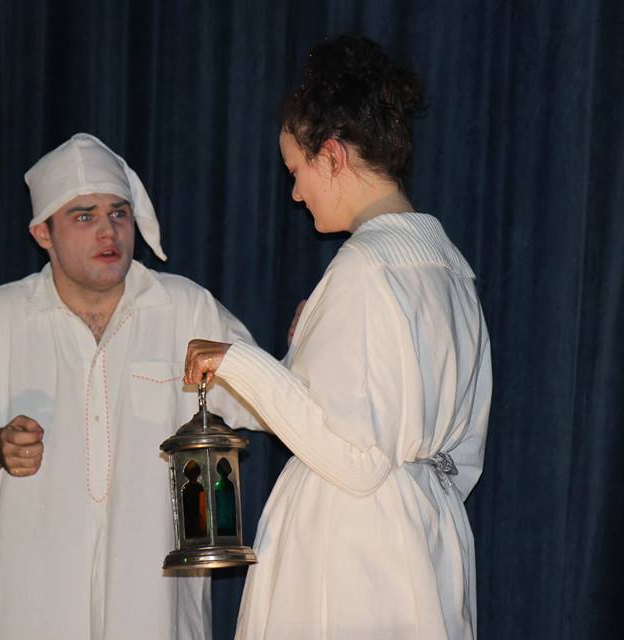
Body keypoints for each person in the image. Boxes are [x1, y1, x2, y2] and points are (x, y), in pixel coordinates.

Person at [184, 35, 492, 639]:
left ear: (332, 156)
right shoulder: (451, 266)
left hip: (352, 553)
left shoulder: (364, 266)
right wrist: (304, 358)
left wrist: (237, 362)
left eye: (296, 171)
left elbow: (352, 457)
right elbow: (462, 456)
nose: (296, 194)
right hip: (424, 537)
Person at [0, 133, 257, 639]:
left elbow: (270, 401)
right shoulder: (0, 319)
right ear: (43, 234)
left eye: (119, 213)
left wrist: (306, 344)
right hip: (33, 610)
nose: (108, 231)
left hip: (155, 610)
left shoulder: (185, 308)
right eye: (83, 216)